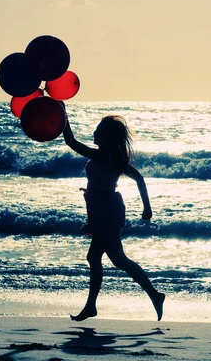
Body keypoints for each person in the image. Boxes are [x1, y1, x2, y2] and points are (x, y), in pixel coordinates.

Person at [62, 111, 165, 322]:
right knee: (115, 259)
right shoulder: (111, 156)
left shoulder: (105, 156)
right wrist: (146, 207)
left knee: (107, 258)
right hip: (103, 211)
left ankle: (93, 306)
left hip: (107, 212)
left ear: (106, 136)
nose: (94, 132)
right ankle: (154, 295)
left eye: (98, 130)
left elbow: (70, 141)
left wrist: (62, 115)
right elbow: (139, 178)